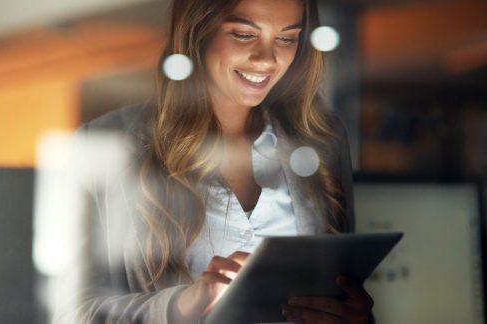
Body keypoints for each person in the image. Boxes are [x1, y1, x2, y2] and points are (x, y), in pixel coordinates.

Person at [72, 0, 374, 323]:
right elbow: (71, 312)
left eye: (286, 39)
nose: (267, 59)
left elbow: (342, 291)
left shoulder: (323, 141)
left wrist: (355, 318)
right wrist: (181, 306)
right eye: (244, 35)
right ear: (197, 32)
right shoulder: (109, 144)